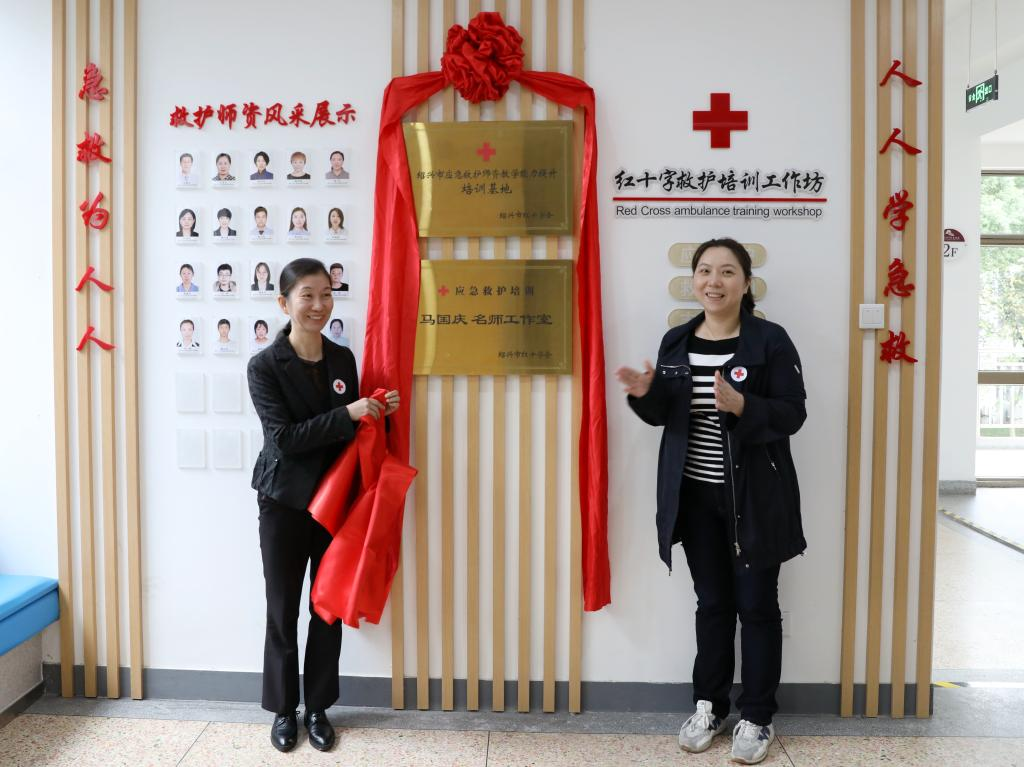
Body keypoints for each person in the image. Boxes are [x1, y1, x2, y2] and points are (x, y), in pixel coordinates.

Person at [615, 238, 806, 766]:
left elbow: (793, 412)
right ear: (694, 280)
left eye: (726, 272)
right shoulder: (677, 341)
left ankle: (757, 715)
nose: (713, 281)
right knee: (713, 603)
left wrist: (744, 405)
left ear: (746, 283)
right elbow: (666, 416)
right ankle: (710, 706)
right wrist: (645, 395)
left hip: (755, 498)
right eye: (704, 271)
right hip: (695, 498)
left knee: (757, 606)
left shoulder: (769, 340)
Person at [247, 257, 400, 753]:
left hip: (335, 504)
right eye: (307, 296)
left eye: (326, 295)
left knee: (327, 606)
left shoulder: (342, 359)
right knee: (282, 608)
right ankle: (283, 710)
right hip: (283, 502)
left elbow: (347, 435)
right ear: (284, 303)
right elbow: (284, 439)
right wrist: (347, 414)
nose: (318, 305)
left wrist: (375, 413)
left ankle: (317, 708)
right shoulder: (264, 366)